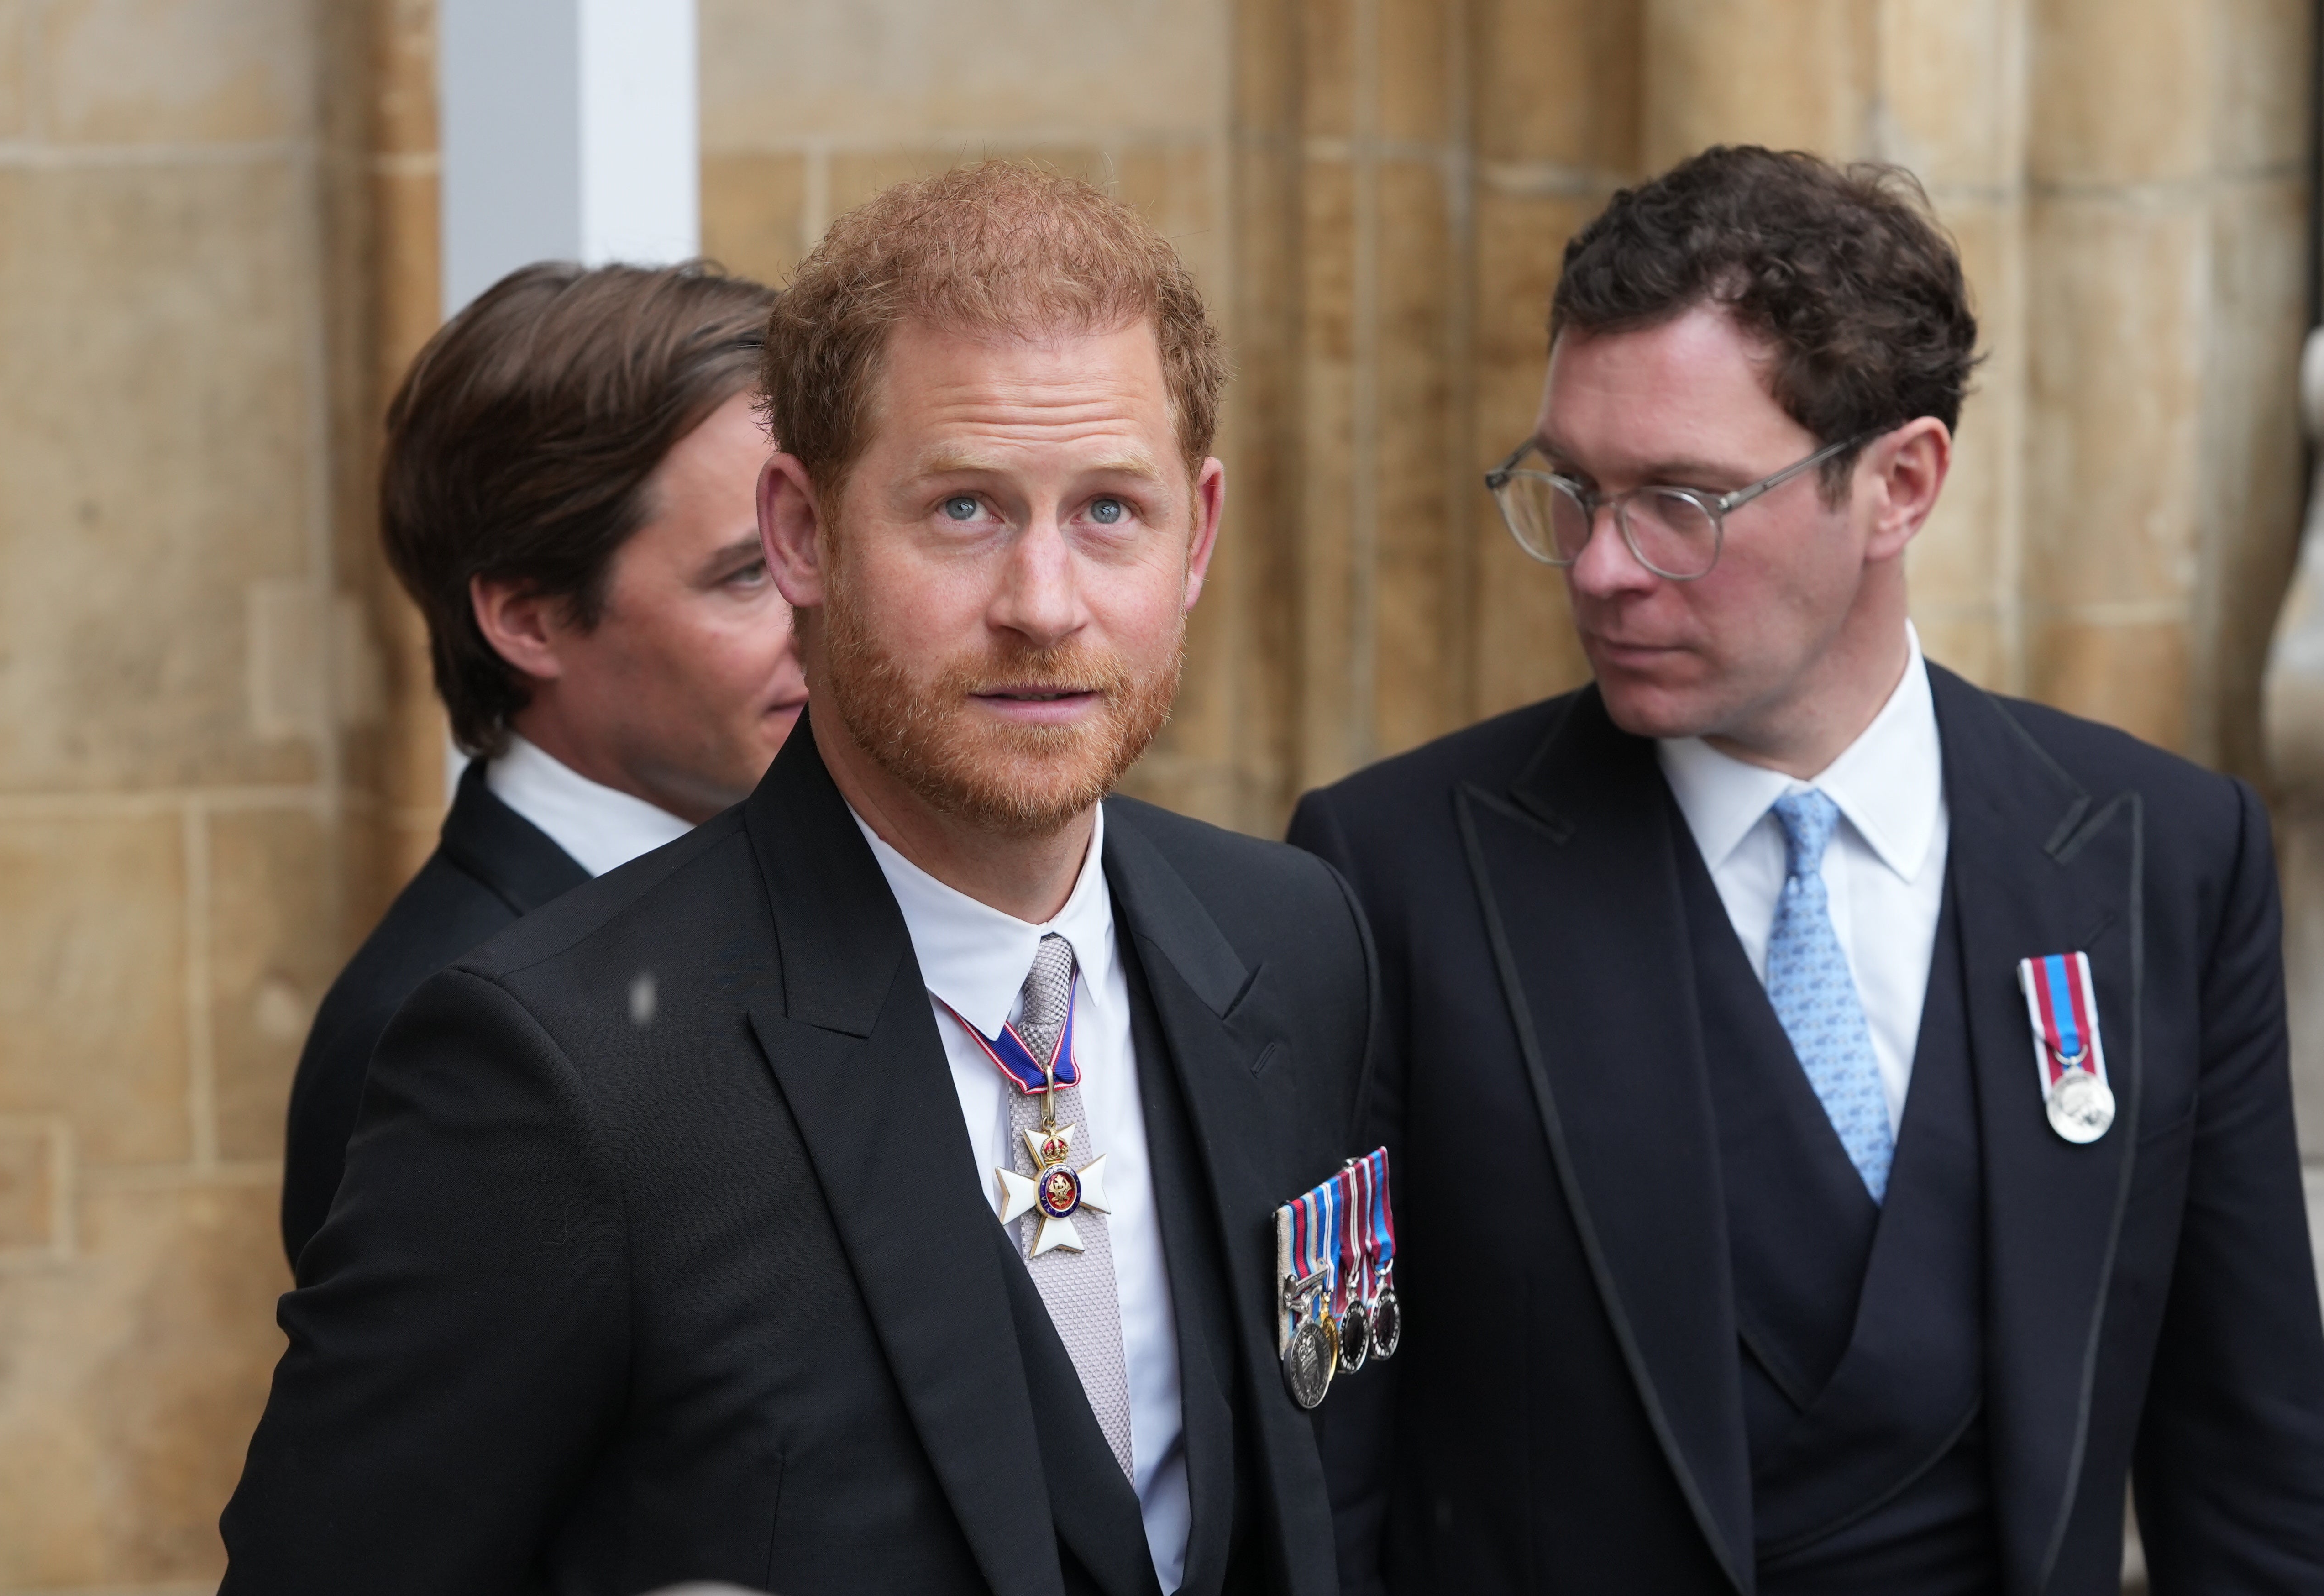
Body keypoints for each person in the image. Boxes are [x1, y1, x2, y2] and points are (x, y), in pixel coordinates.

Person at [222, 162, 1379, 1596]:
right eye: (962, 510)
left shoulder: (1296, 938)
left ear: (1198, 533)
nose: (1042, 603)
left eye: (1108, 511)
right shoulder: (555, 1070)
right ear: (801, 533)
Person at [1293, 146, 2324, 1595]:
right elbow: (1326, 1467)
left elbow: (2260, 1483)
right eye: (1573, 489)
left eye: (1683, 502)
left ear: (1899, 484)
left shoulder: (2160, 855)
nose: (1599, 568)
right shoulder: (1386, 876)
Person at [277, 262, 806, 1267]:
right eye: (748, 573)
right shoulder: (438, 1043)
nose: (822, 621)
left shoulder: (841, 891)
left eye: (820, 547)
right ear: (527, 619)